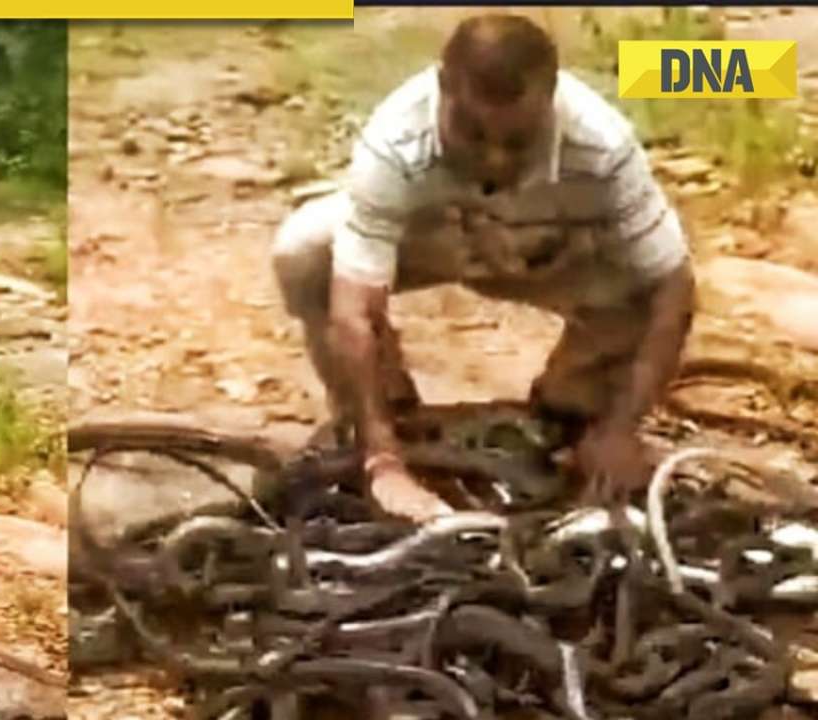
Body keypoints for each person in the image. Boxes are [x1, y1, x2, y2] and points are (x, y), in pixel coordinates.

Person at [272, 14, 695, 522]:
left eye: (518, 141)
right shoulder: (396, 136)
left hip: (546, 249)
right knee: (305, 254)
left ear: (551, 100)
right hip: (438, 242)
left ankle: (571, 417)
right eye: (471, 134)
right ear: (443, 88)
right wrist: (383, 459)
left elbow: (674, 288)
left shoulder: (602, 144)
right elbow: (352, 310)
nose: (494, 159)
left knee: (647, 279)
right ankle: (387, 417)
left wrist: (622, 429)